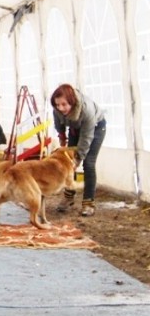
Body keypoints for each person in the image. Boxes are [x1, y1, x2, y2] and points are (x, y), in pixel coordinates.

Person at [50, 83, 106, 217]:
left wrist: (77, 158)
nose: (60, 108)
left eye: (64, 104)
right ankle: (69, 197)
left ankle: (88, 203)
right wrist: (63, 141)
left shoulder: (87, 111)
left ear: (72, 102)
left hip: (96, 128)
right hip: (75, 128)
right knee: (68, 163)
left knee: (88, 163)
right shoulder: (57, 109)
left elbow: (86, 139)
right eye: (58, 105)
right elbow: (60, 126)